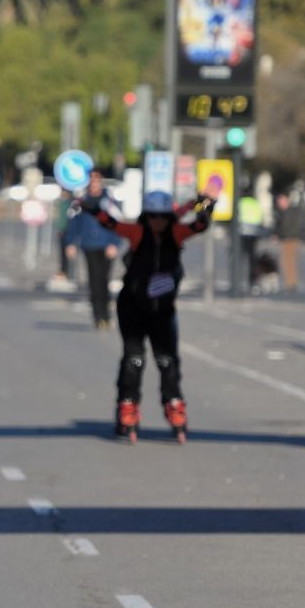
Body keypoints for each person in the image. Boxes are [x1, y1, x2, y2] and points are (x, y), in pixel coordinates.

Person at [89, 189, 213, 443]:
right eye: (153, 216)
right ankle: (127, 407)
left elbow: (199, 225)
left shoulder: (175, 234)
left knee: (167, 361)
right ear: (146, 216)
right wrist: (89, 207)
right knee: (134, 359)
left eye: (163, 217)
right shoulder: (137, 232)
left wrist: (206, 206)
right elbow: (111, 223)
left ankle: (174, 406)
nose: (158, 222)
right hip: (132, 306)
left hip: (163, 309)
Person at [63, 170, 121, 329]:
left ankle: (106, 314)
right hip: (89, 245)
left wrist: (114, 243)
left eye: (97, 179)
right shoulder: (80, 201)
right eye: (92, 180)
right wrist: (71, 243)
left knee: (104, 280)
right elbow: (73, 223)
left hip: (106, 244)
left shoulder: (109, 201)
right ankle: (98, 316)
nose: (94, 183)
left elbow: (117, 224)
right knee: (94, 281)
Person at [273, 192, 302, 293]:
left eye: (281, 201)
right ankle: (289, 282)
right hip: (287, 238)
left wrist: (280, 234)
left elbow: (288, 226)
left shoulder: (290, 212)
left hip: (291, 239)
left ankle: (291, 283)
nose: (279, 203)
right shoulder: (283, 212)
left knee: (288, 261)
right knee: (286, 261)